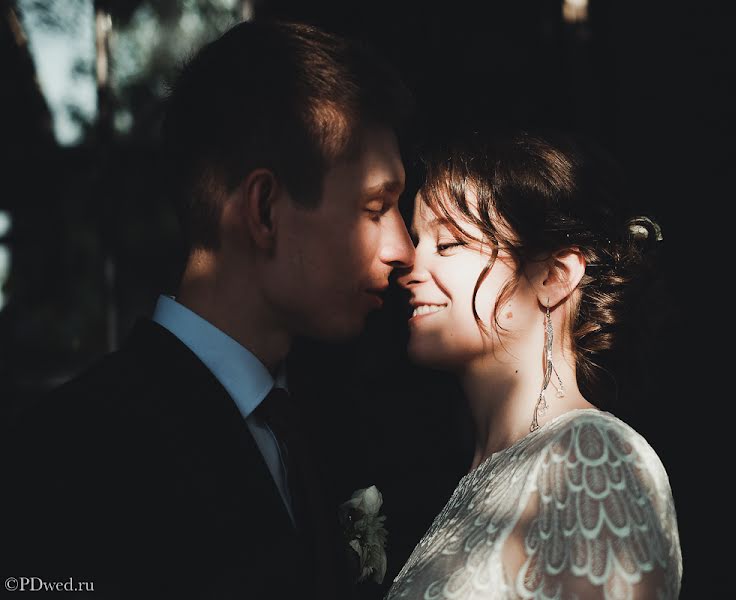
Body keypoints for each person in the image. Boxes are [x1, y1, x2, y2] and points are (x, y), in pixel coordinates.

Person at [4, 20, 414, 598]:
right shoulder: (68, 455)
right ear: (265, 210)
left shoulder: (339, 418)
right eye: (377, 207)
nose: (404, 250)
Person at [387, 131, 682, 599]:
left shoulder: (590, 457)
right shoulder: (476, 475)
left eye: (446, 245)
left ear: (554, 276)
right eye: (416, 240)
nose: (408, 265)